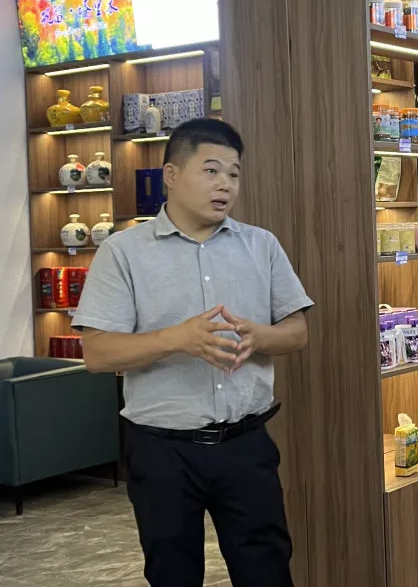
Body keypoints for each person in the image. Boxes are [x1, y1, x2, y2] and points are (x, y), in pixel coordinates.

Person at [73, 119, 312, 587]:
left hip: (246, 445)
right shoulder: (122, 252)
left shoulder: (261, 245)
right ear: (171, 175)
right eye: (211, 170)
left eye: (234, 174)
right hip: (161, 451)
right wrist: (179, 339)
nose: (226, 184)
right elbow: (97, 354)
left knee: (267, 570)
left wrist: (260, 337)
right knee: (172, 574)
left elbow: (297, 332)